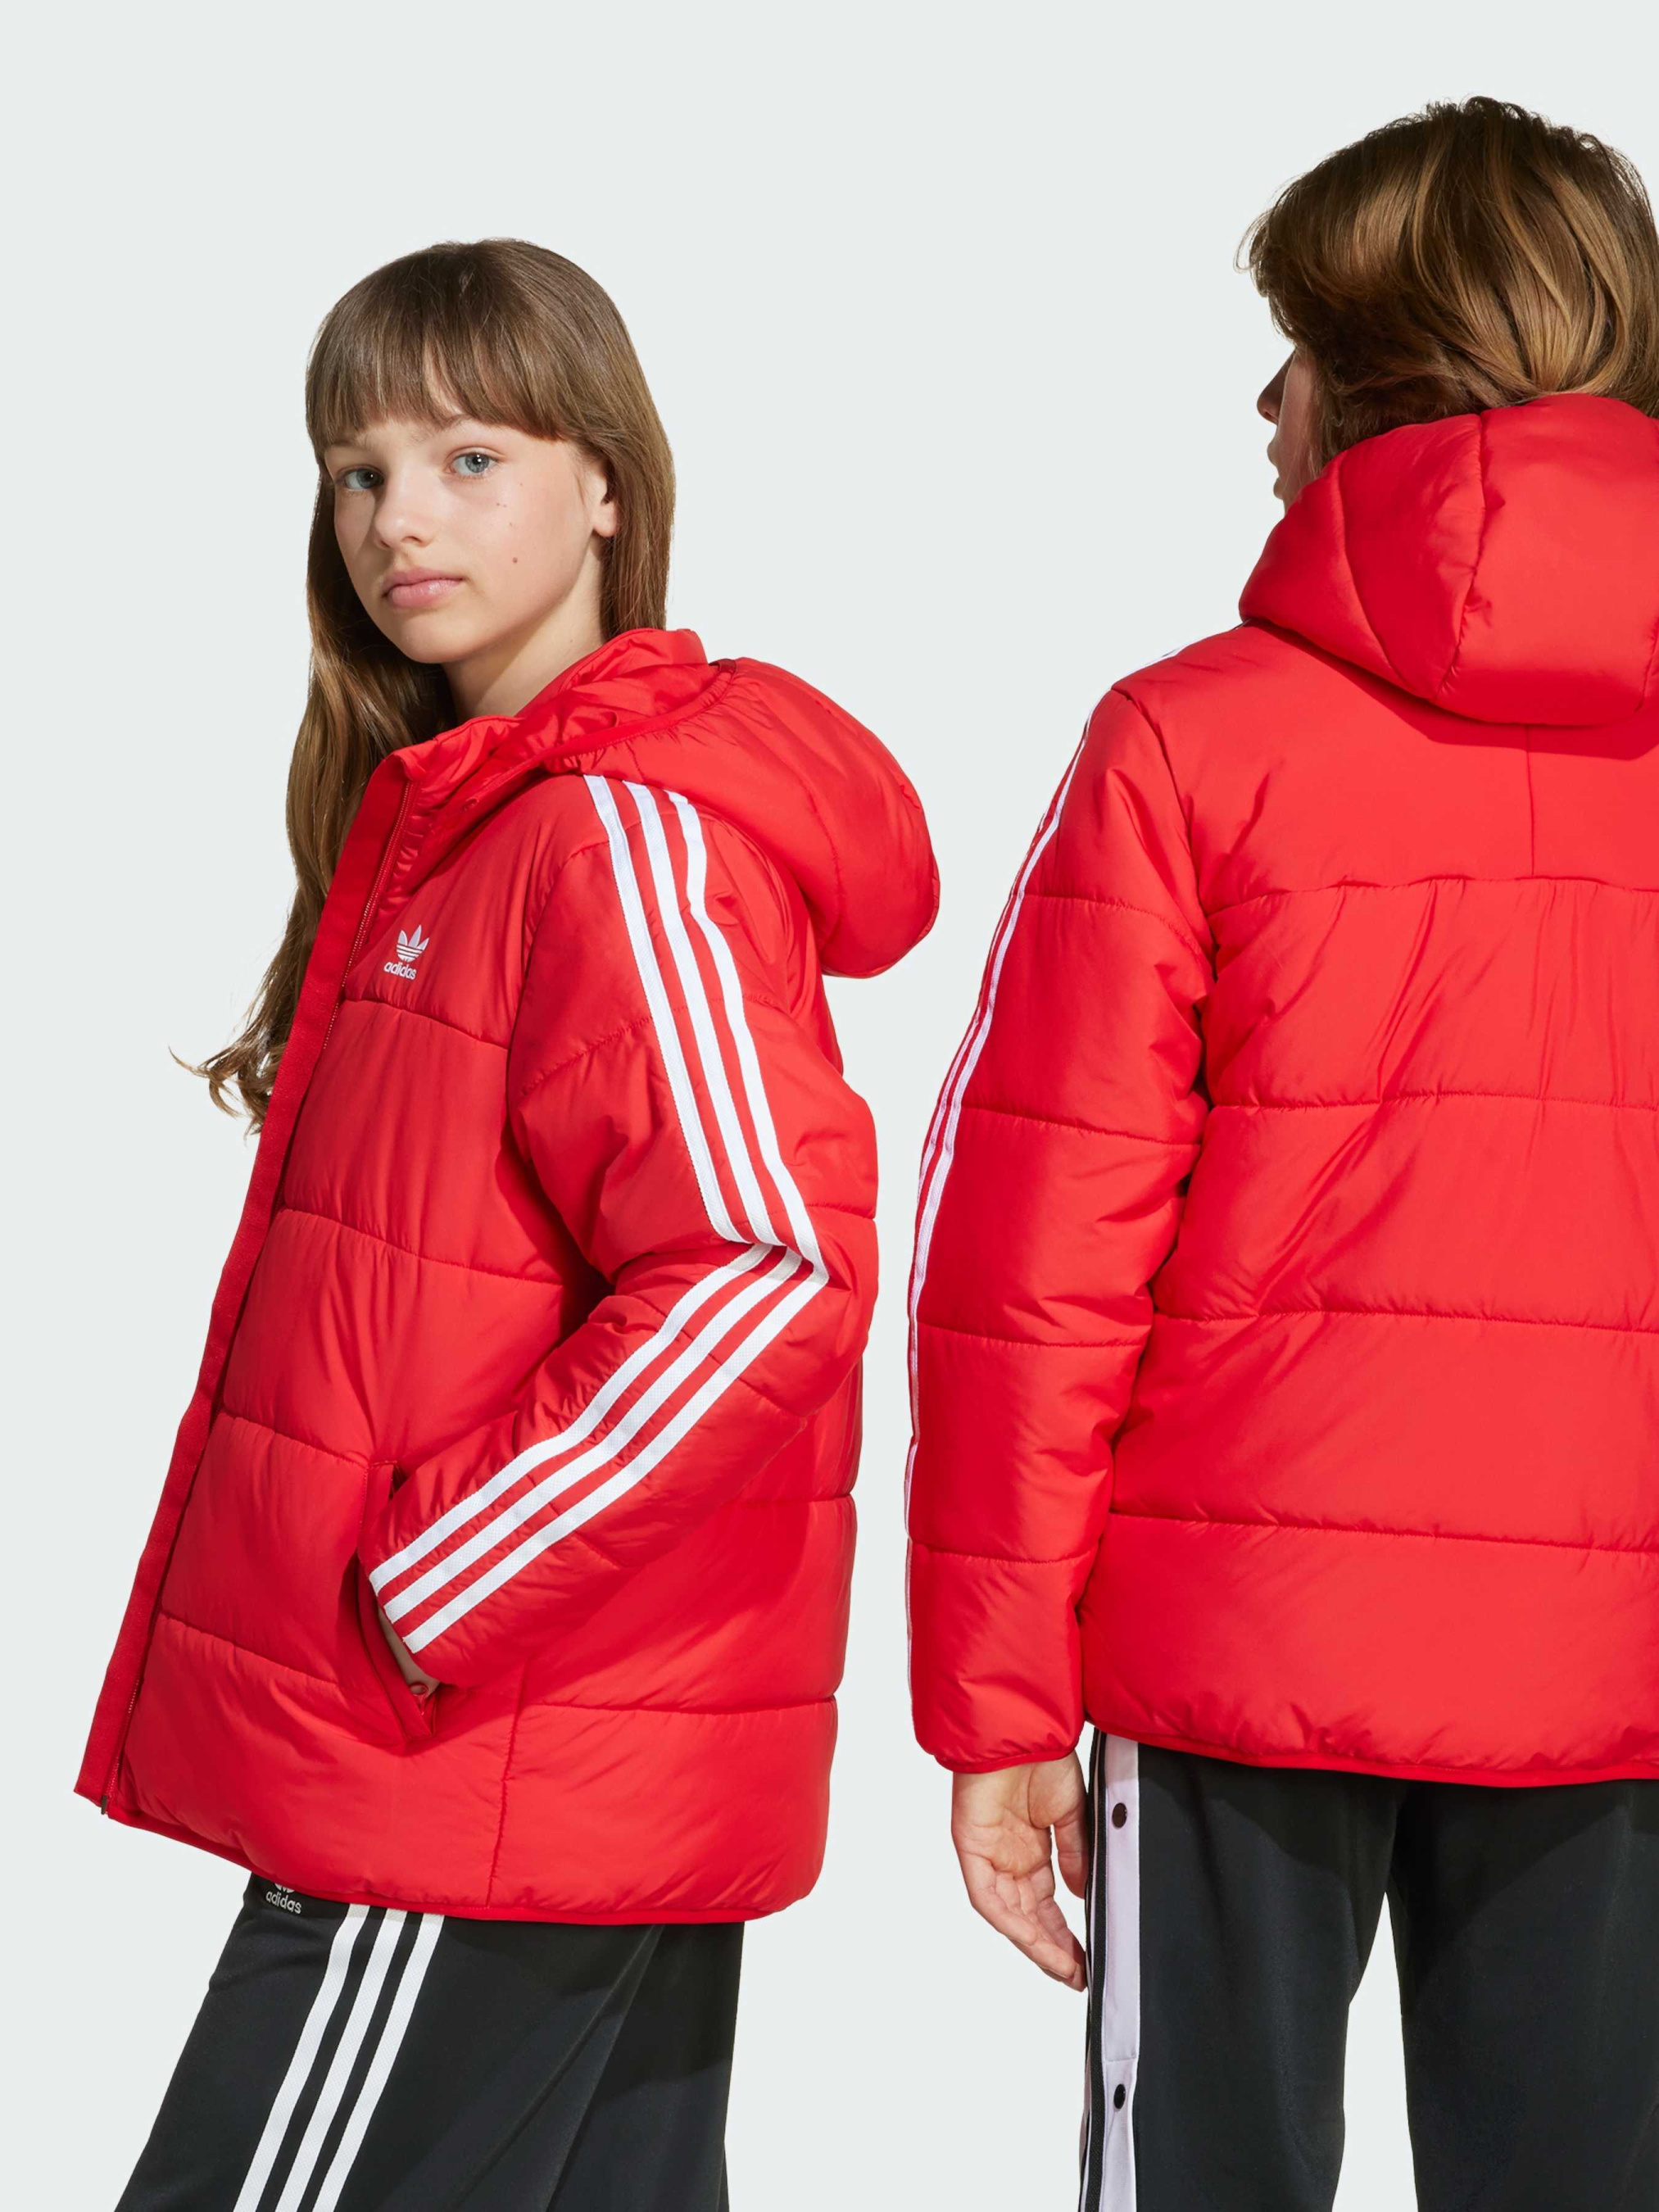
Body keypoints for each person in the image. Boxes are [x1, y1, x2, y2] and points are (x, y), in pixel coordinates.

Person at [82, 238, 936, 2211]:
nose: (399, 519)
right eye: (359, 470)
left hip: (478, 1765)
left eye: (469, 459)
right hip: (538, 1762)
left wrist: (432, 1587)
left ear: (606, 482)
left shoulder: (611, 828)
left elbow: (762, 1264)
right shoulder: (465, 817)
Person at [906, 97, 1659, 2212]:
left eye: (1295, 350)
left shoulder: (1189, 737)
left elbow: (1036, 1252)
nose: (1263, 404)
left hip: (1236, 1650)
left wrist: (995, 1706)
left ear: (1381, 376)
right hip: (1619, 1655)